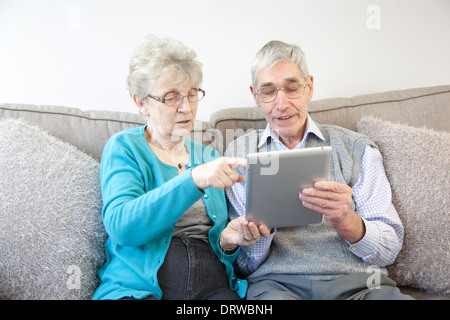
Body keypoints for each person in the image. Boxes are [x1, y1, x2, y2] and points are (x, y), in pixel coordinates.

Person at [225, 40, 414, 300]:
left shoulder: (356, 148)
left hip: (361, 284)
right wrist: (259, 233)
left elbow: (389, 250)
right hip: (278, 286)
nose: (281, 104)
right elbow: (243, 266)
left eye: (291, 88)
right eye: (268, 91)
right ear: (255, 95)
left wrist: (347, 221)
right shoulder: (238, 155)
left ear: (309, 87)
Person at [92, 35, 265, 300]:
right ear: (141, 103)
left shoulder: (209, 154)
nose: (186, 108)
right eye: (171, 98)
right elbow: (122, 227)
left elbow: (224, 255)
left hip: (212, 287)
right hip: (141, 289)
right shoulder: (125, 147)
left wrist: (228, 243)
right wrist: (193, 179)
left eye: (192, 94)